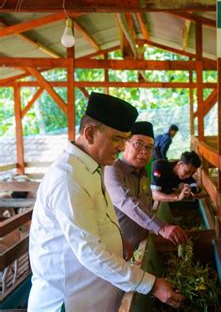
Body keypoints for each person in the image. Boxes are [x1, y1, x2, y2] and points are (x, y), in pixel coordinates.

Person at [28, 93, 184, 312]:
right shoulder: (68, 178)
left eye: (124, 139)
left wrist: (118, 241)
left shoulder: (92, 166)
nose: (122, 147)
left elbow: (98, 218)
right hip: (70, 300)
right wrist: (151, 284)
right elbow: (90, 252)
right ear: (90, 133)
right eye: (117, 139)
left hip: (95, 293)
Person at [104, 121, 188, 250]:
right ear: (124, 144)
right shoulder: (112, 170)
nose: (144, 152)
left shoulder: (143, 172)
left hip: (140, 247)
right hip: (117, 248)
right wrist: (162, 227)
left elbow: (147, 203)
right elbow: (127, 202)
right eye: (138, 144)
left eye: (149, 147)